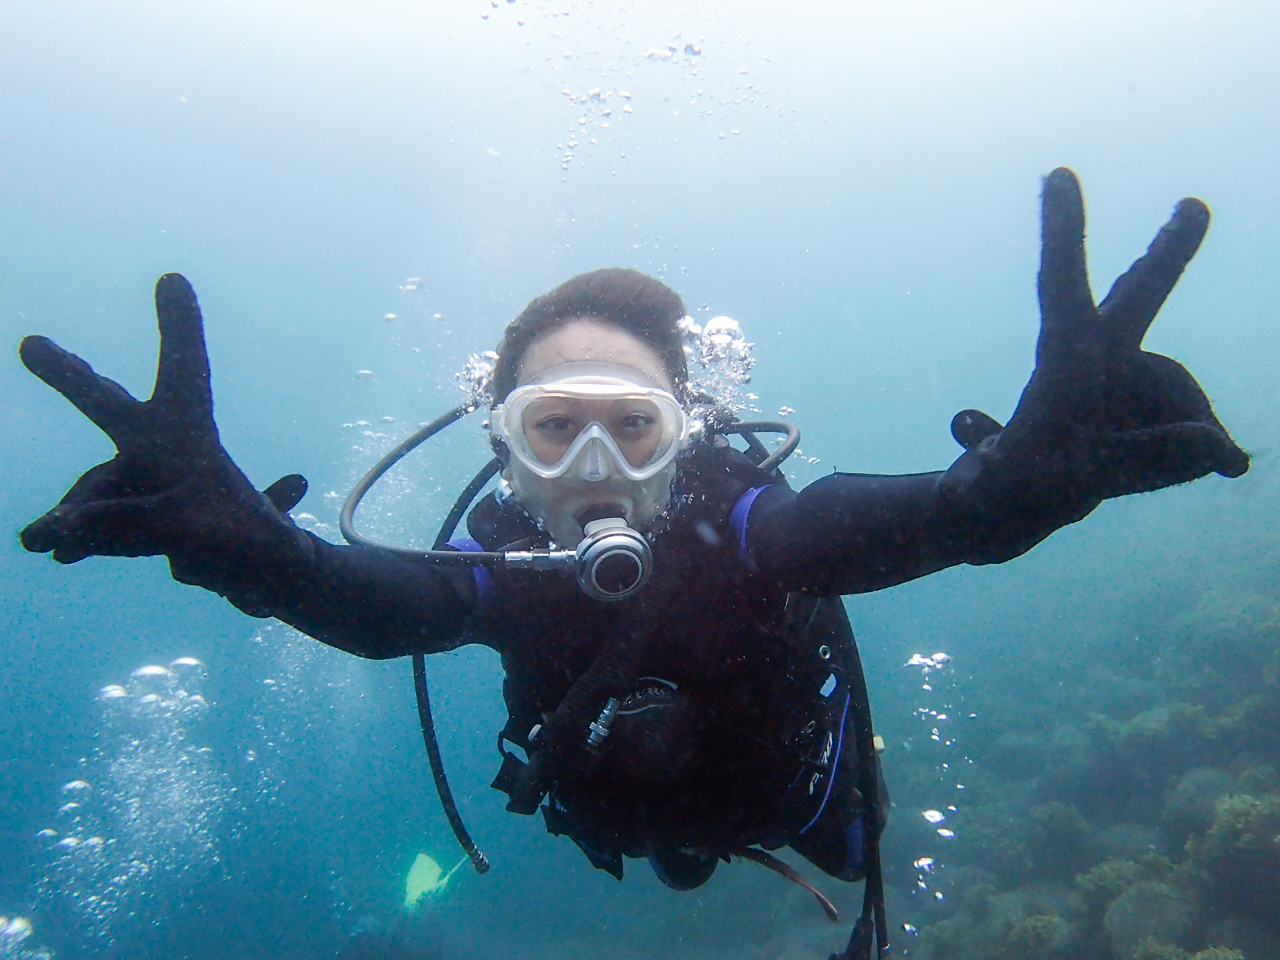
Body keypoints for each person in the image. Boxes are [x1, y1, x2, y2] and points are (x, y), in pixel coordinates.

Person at [17, 169, 1248, 960]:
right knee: (659, 850)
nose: (593, 464)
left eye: (633, 424)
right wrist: (249, 552)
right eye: (552, 428)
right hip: (612, 804)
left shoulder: (747, 521)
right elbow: (371, 603)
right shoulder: (497, 567)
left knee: (853, 850)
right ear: (504, 452)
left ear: (687, 434)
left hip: (792, 797)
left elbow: (878, 523)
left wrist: (997, 501)